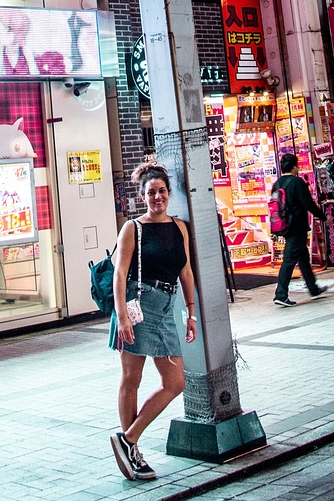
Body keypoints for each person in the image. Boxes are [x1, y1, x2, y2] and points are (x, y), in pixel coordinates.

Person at [109, 163, 197, 483]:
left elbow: (185, 271)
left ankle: (127, 439)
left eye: (161, 191)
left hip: (166, 308)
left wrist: (191, 313)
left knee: (175, 382)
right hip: (137, 305)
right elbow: (120, 274)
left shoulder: (179, 227)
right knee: (131, 377)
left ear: (168, 194)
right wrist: (121, 317)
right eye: (151, 192)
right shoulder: (133, 228)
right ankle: (133, 451)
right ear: (142, 196)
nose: (156, 197)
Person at [272, 154, 329, 307]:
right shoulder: (296, 182)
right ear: (294, 167)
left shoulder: (277, 184)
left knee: (303, 257)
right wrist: (324, 217)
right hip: (297, 227)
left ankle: (313, 288)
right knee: (289, 260)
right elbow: (309, 204)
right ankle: (281, 294)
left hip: (284, 226)